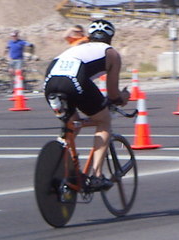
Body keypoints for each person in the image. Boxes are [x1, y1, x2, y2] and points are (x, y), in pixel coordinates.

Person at [44, 19, 130, 190]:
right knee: (103, 121)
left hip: (50, 82)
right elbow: (113, 94)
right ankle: (97, 176)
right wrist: (124, 97)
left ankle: (58, 161)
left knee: (72, 124)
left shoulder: (76, 48)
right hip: (74, 80)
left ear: (90, 36)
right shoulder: (111, 53)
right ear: (111, 37)